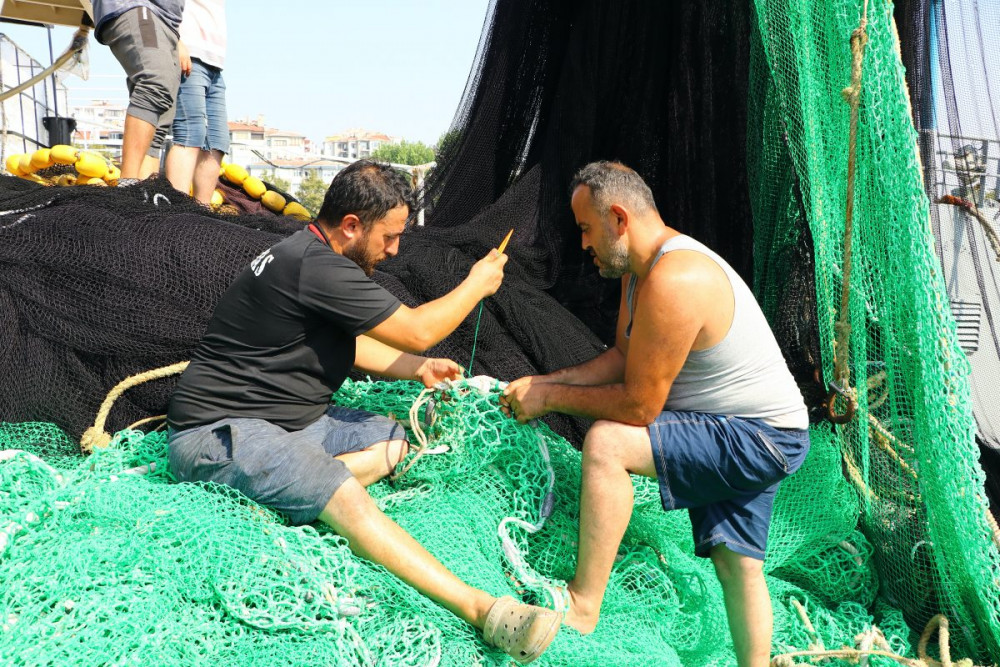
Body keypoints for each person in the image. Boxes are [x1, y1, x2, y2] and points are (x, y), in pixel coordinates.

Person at [166, 160, 561, 665]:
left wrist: (418, 369)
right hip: (218, 433)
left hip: (293, 422)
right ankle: (485, 610)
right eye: (390, 236)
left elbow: (341, 347)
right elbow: (419, 328)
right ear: (351, 225)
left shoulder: (310, 256)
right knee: (345, 494)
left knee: (396, 442)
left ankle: (281, 499)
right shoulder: (316, 265)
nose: (394, 250)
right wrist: (477, 284)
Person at [502, 161, 810, 667]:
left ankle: (582, 606)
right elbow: (623, 359)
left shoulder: (675, 277)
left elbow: (640, 406)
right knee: (739, 566)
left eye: (585, 229)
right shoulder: (640, 274)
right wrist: (547, 383)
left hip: (760, 436)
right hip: (762, 430)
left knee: (607, 443)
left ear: (619, 218)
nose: (583, 244)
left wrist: (551, 400)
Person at [91, 0, 184, 180]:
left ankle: (143, 196)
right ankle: (128, 186)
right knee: (155, 83)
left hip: (168, 21)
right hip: (138, 6)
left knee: (160, 121)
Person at [165, 0, 228, 204]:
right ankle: (178, 211)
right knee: (190, 134)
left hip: (215, 64)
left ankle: (202, 211)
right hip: (190, 53)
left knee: (217, 142)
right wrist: (176, 40)